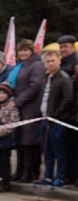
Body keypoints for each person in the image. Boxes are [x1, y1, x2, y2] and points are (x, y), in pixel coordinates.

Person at [35, 51, 74, 187]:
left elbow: (68, 98)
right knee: (46, 150)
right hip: (44, 119)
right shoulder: (47, 77)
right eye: (48, 61)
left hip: (57, 121)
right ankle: (48, 176)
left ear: (59, 61)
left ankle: (61, 177)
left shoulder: (64, 78)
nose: (50, 63)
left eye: (53, 60)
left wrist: (56, 115)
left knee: (59, 150)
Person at [8, 39, 46, 183]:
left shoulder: (37, 65)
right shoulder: (21, 66)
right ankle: (19, 170)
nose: (23, 53)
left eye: (26, 50)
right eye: (21, 50)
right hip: (19, 108)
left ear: (32, 51)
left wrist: (18, 101)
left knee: (28, 140)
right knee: (19, 140)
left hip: (31, 108)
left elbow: (35, 86)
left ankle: (29, 172)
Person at [0, 82, 20, 192]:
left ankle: (5, 182)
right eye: (0, 93)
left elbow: (13, 124)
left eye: (4, 93)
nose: (1, 95)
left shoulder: (12, 108)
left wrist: (0, 132)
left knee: (4, 161)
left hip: (5, 139)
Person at [58, 35, 78, 186]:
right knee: (67, 145)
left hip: (72, 109)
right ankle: (70, 175)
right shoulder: (62, 62)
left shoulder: (75, 62)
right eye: (61, 47)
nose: (63, 49)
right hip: (65, 111)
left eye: (66, 46)